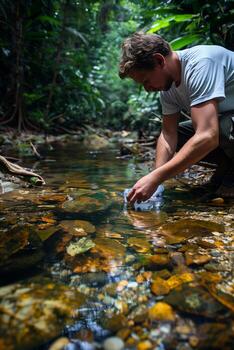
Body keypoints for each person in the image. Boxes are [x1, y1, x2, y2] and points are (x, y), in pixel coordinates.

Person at [119, 32, 234, 204]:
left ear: (159, 61)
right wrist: (156, 180)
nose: (147, 88)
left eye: (146, 80)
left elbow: (208, 136)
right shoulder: (168, 88)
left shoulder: (202, 63)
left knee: (222, 128)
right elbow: (168, 134)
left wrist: (156, 178)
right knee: (181, 135)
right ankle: (228, 167)